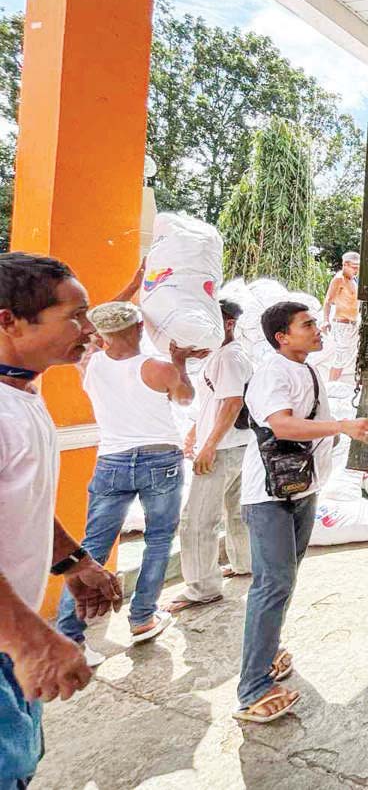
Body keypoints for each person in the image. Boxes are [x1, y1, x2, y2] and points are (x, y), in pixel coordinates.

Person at [0, 252, 123, 788]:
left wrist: (73, 562)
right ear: (8, 320)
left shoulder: (22, 393)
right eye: (74, 316)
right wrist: (29, 641)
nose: (88, 330)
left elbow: (19, 503)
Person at [235, 302, 368, 723]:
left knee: (284, 579)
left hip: (301, 490)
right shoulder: (273, 373)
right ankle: (252, 690)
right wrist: (341, 428)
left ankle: (266, 655)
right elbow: (281, 426)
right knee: (272, 583)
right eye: (307, 325)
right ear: (282, 336)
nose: (317, 329)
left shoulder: (307, 370)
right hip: (269, 497)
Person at [55, 298, 206, 650]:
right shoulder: (159, 367)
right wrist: (180, 363)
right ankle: (142, 618)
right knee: (157, 541)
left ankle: (69, 634)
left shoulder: (89, 364)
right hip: (160, 460)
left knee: (91, 549)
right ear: (140, 328)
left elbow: (90, 324)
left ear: (102, 333)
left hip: (112, 461)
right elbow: (185, 398)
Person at [166, 299, 254, 614]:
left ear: (228, 324)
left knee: (197, 521)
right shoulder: (226, 354)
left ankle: (202, 589)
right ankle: (244, 564)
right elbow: (214, 403)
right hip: (238, 446)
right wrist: (196, 433)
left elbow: (232, 403)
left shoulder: (228, 358)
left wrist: (209, 446)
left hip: (224, 448)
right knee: (236, 513)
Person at [322, 252, 361, 383]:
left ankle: (337, 384)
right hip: (342, 324)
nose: (356, 270)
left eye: (358, 267)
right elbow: (328, 301)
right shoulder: (339, 279)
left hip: (353, 324)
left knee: (349, 358)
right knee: (340, 358)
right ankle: (330, 385)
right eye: (354, 267)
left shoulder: (353, 281)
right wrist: (325, 320)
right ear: (345, 265)